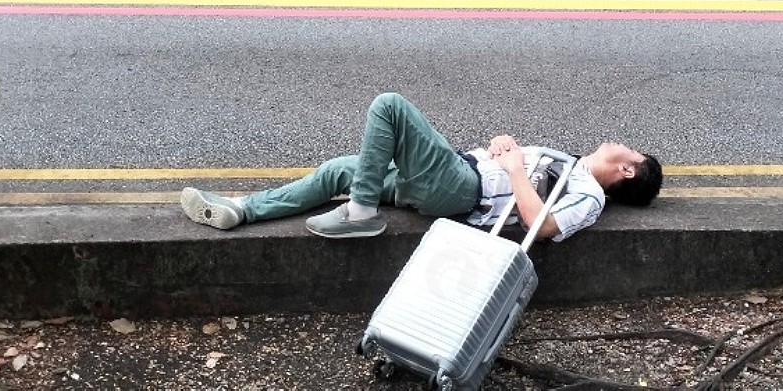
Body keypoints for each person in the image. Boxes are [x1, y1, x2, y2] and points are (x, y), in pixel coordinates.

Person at [180, 92, 662, 242]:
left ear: (626, 172)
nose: (621, 144)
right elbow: (512, 168)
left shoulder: (592, 197)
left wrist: (515, 168)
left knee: (389, 107)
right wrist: (501, 146)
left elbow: (542, 225)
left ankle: (362, 213)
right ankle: (240, 210)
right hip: (456, 171)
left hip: (459, 190)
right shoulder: (568, 163)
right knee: (334, 172)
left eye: (631, 151)